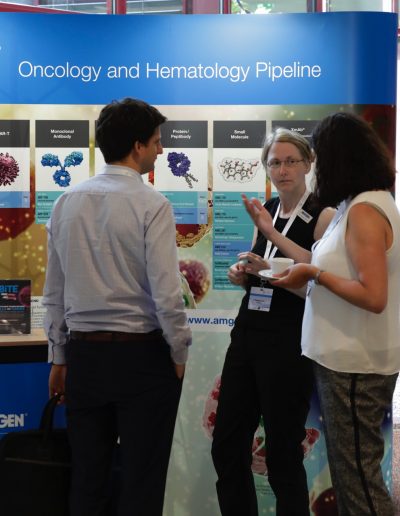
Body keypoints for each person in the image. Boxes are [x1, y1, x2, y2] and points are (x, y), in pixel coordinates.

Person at [43, 97, 192, 516]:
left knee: (88, 479)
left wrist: (58, 357)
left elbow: (54, 292)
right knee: (142, 481)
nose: (161, 150)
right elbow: (167, 294)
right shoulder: (152, 204)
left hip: (84, 357)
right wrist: (179, 352)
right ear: (137, 146)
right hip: (142, 358)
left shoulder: (66, 201)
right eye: (157, 141)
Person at [248, 112, 400, 516]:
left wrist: (315, 274)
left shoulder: (365, 210)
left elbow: (374, 296)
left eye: (313, 157)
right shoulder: (357, 204)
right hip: (344, 361)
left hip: (356, 365)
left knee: (359, 482)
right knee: (352, 478)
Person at [211, 127, 335, 516]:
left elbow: (319, 283)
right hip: (249, 334)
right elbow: (261, 267)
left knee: (282, 453)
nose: (282, 170)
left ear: (308, 164)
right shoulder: (267, 208)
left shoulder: (325, 215)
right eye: (274, 162)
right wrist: (242, 271)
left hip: (289, 340)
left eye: (290, 161)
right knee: (227, 444)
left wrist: (269, 240)